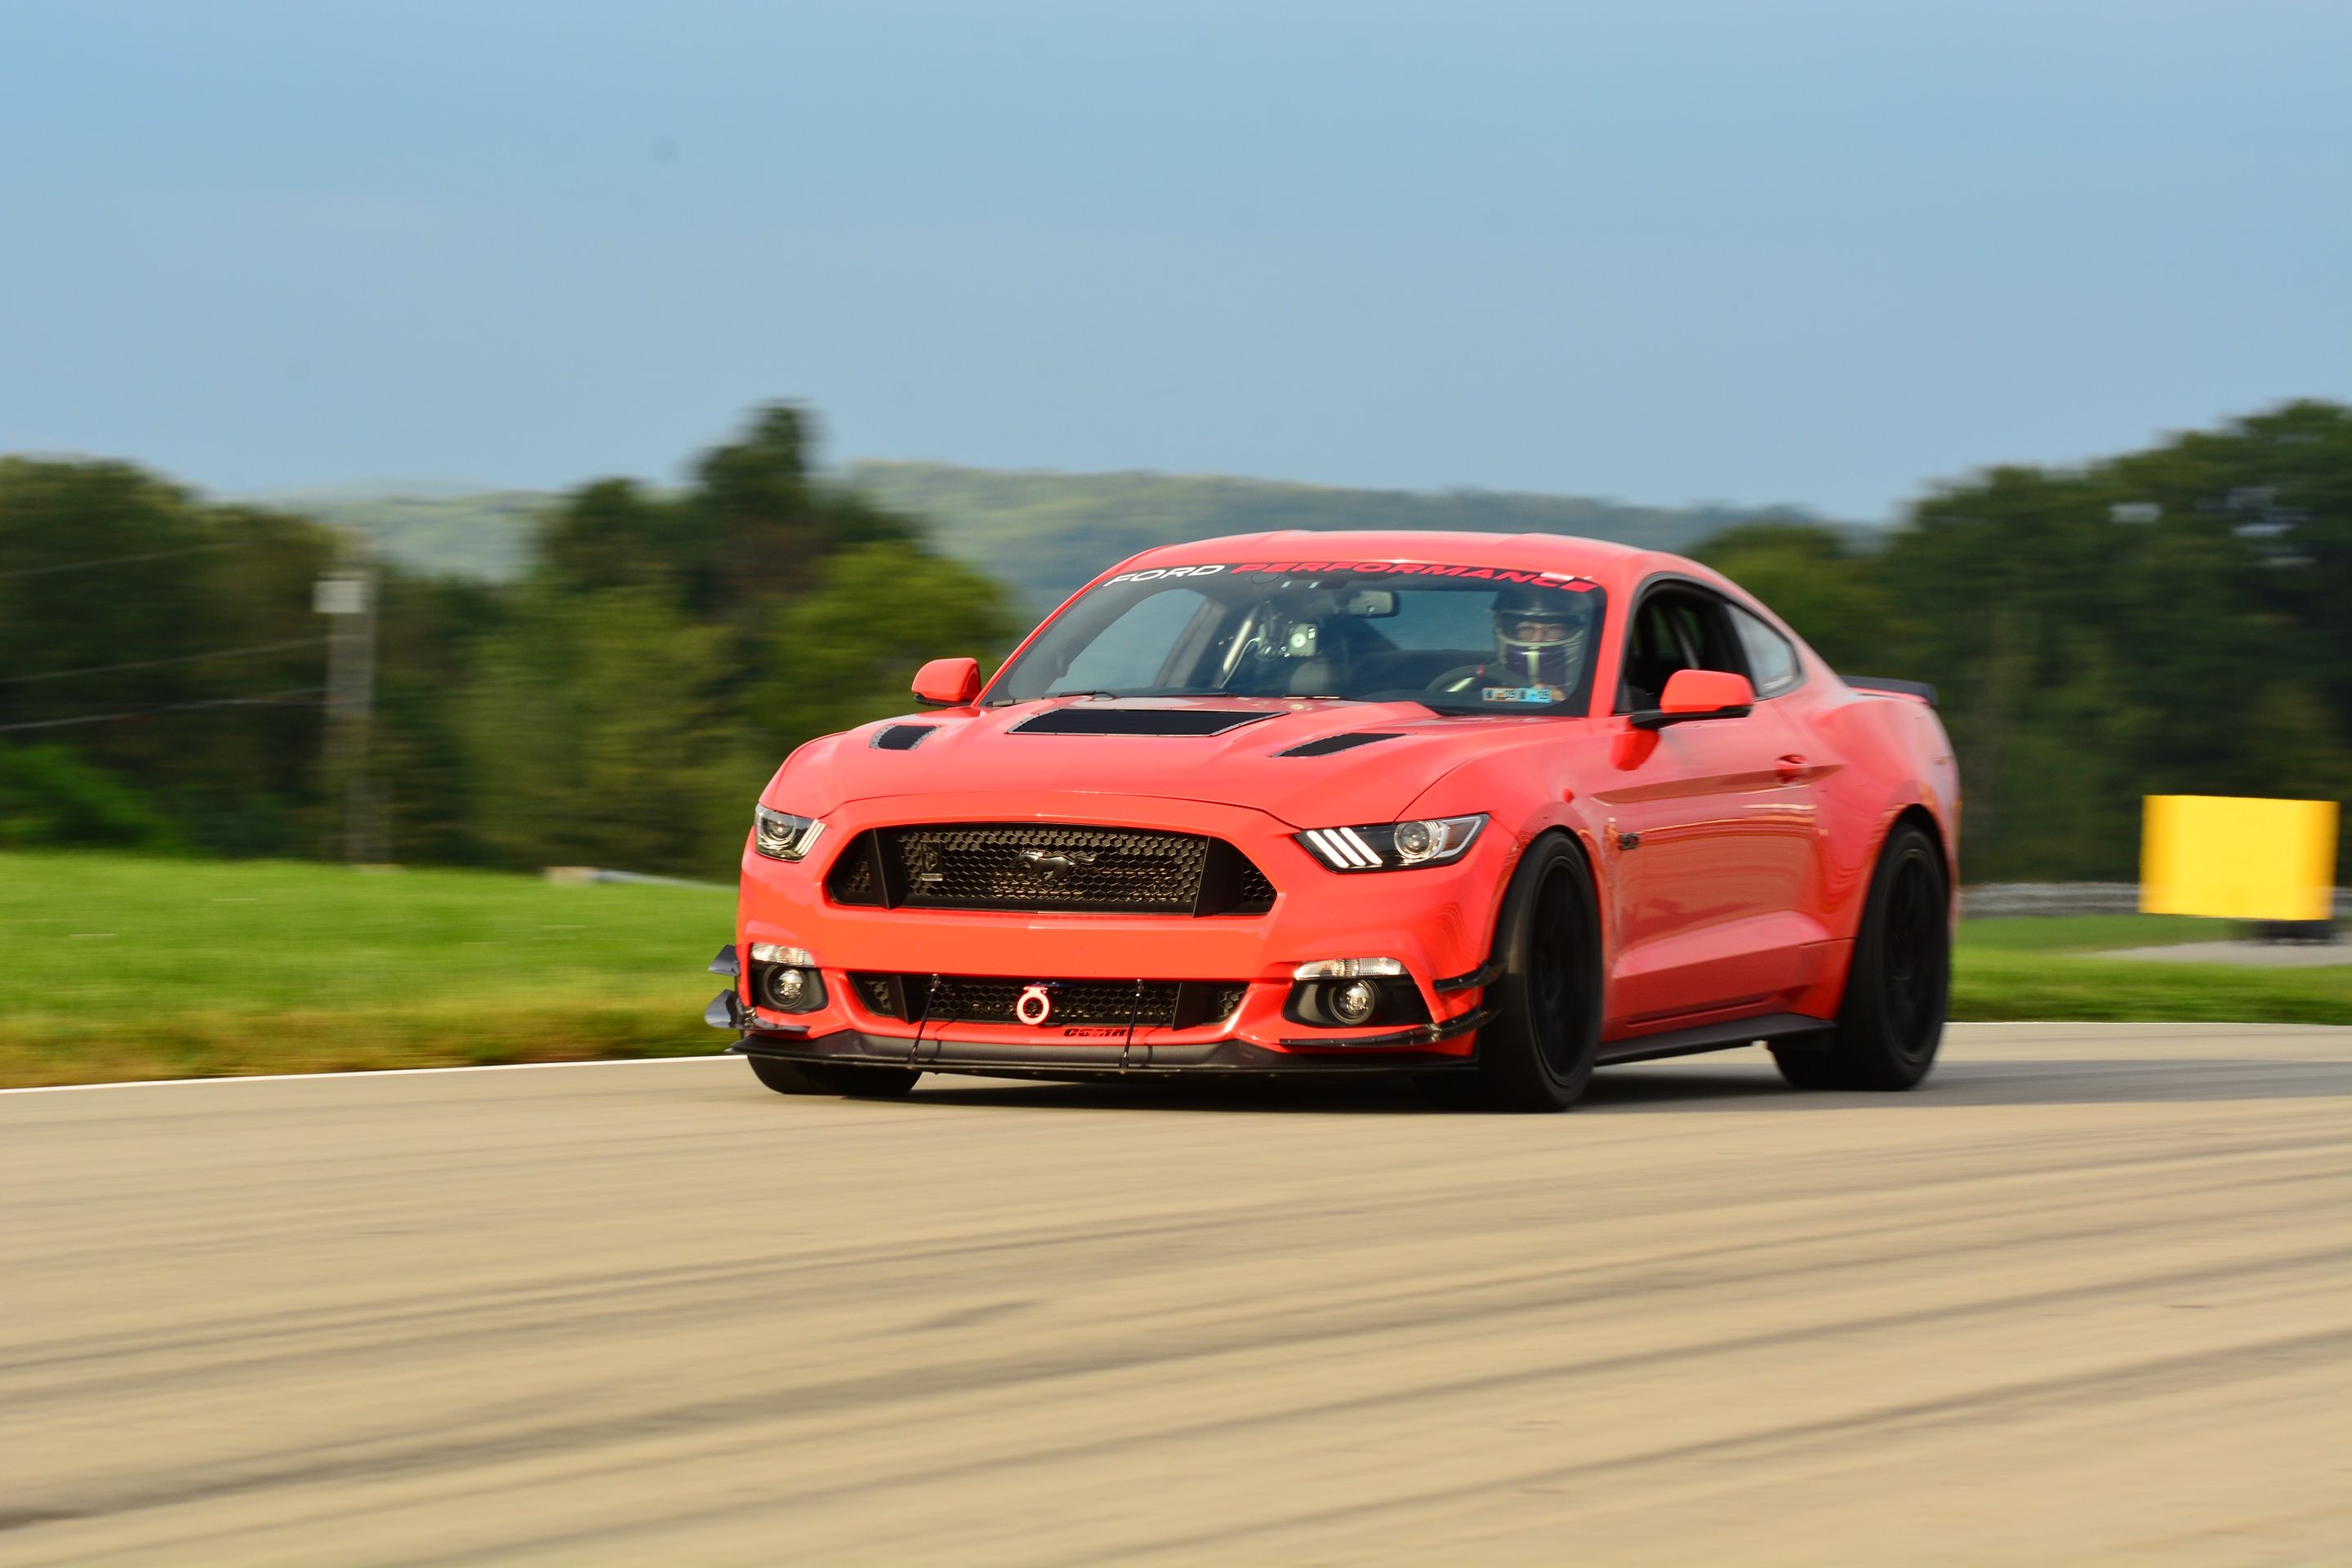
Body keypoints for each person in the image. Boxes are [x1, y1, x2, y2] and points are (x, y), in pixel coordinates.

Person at [1433, 586, 1595, 702]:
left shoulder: (1599, 682)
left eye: (1554, 629)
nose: (1538, 638)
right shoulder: (1475, 678)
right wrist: (1492, 698)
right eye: (1526, 629)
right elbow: (1439, 705)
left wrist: (1564, 705)